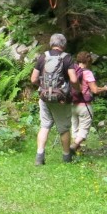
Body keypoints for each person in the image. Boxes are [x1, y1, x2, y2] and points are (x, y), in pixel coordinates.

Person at [30, 33, 79, 165]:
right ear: (63, 44)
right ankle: (66, 157)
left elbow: (33, 79)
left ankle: (39, 156)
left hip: (44, 97)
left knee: (45, 126)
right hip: (61, 99)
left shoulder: (42, 57)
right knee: (64, 128)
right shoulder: (67, 58)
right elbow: (73, 79)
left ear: (52, 43)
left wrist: (44, 87)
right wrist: (77, 89)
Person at [70, 51, 107, 155]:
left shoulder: (72, 71)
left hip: (72, 104)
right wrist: (105, 88)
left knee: (75, 129)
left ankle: (75, 154)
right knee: (83, 130)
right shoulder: (87, 73)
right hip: (84, 105)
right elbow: (95, 90)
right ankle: (72, 147)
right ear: (89, 61)